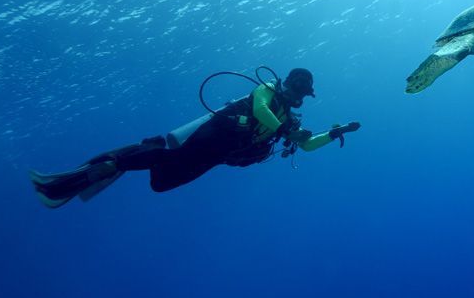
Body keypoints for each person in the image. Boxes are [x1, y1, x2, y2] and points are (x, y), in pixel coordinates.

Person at [30, 68, 359, 208]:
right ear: (288, 83)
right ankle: (112, 164)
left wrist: (333, 133)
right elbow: (259, 110)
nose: (299, 96)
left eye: (304, 93)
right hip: (216, 135)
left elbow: (307, 144)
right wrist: (285, 129)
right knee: (165, 156)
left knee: (160, 183)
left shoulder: (289, 118)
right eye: (298, 89)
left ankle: (124, 159)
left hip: (221, 155)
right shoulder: (267, 90)